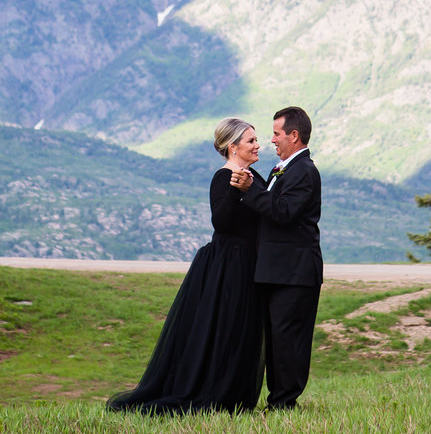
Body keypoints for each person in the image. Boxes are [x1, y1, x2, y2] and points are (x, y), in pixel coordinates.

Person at [106, 118, 265, 414]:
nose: (259, 145)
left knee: (244, 330)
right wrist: (240, 192)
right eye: (252, 141)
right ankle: (215, 394)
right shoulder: (225, 177)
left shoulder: (251, 174)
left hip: (250, 261)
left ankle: (236, 395)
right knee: (225, 329)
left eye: (257, 140)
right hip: (230, 264)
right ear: (233, 147)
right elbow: (221, 221)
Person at [232, 105, 322, 411]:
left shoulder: (304, 171)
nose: (271, 140)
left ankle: (285, 402)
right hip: (278, 270)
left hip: (295, 272)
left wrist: (249, 191)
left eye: (276, 133)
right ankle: (278, 399)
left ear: (294, 136)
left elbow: (283, 212)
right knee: (276, 338)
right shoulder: (283, 168)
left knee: (289, 339)